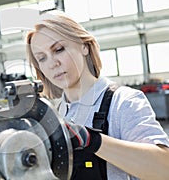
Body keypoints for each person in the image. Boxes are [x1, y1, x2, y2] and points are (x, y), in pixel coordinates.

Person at [26, 11, 169, 180]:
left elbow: (163, 169)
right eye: (42, 58)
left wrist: (92, 140)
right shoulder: (58, 114)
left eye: (59, 49)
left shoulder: (123, 102)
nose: (52, 63)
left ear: (84, 46)